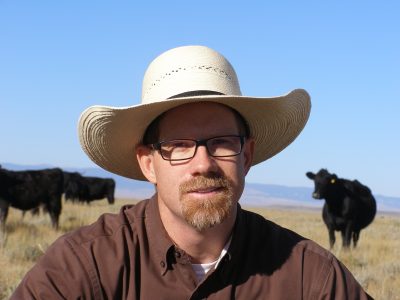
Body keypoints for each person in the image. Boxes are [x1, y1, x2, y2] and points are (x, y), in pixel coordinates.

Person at [11, 45, 372, 299]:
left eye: (222, 142)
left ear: (246, 155)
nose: (203, 163)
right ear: (148, 163)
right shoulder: (83, 267)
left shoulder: (311, 277)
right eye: (179, 145)